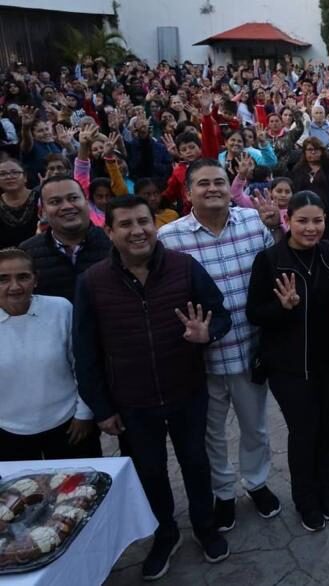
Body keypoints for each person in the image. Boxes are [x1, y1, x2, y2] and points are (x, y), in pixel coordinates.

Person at [74, 195, 232, 579]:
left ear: (154, 225)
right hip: (132, 402)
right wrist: (101, 407)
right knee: (150, 471)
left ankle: (205, 526)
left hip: (186, 391)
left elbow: (221, 315)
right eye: (125, 224)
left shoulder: (183, 268)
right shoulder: (92, 282)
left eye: (143, 221)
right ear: (109, 231)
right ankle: (165, 533)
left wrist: (207, 333)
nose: (137, 230)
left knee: (196, 464)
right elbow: (85, 350)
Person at [158, 159, 283, 533]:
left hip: (248, 350)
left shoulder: (252, 222)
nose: (213, 188)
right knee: (211, 434)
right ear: (188, 192)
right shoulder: (170, 238)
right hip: (200, 357)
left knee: (255, 428)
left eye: (219, 182)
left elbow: (275, 269)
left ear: (231, 187)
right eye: (203, 184)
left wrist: (276, 229)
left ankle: (256, 483)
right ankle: (224, 493)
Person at [246, 191, 329, 533]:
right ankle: (306, 500)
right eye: (302, 220)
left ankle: (328, 492)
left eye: (317, 220)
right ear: (289, 219)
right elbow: (254, 312)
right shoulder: (270, 260)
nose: (311, 228)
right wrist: (282, 308)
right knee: (304, 433)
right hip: (289, 368)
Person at [0, 247, 100, 461]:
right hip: (9, 433)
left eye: (23, 277)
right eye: (3, 279)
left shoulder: (60, 309)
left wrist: (84, 414)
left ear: (35, 280)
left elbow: (81, 364)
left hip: (69, 425)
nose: (14, 286)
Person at [19, 175, 111, 300]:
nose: (67, 206)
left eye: (73, 198)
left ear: (86, 201)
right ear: (43, 211)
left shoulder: (113, 243)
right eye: (55, 202)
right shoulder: (27, 253)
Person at [289, 135, 329, 244]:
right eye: (309, 150)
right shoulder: (298, 170)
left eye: (316, 149)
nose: (313, 152)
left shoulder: (328, 166)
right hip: (308, 215)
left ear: (321, 151)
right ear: (304, 152)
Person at [0, 159, 38, 248]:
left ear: (25, 177)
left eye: (15, 172)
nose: (9, 177)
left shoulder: (40, 198)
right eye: (3, 174)